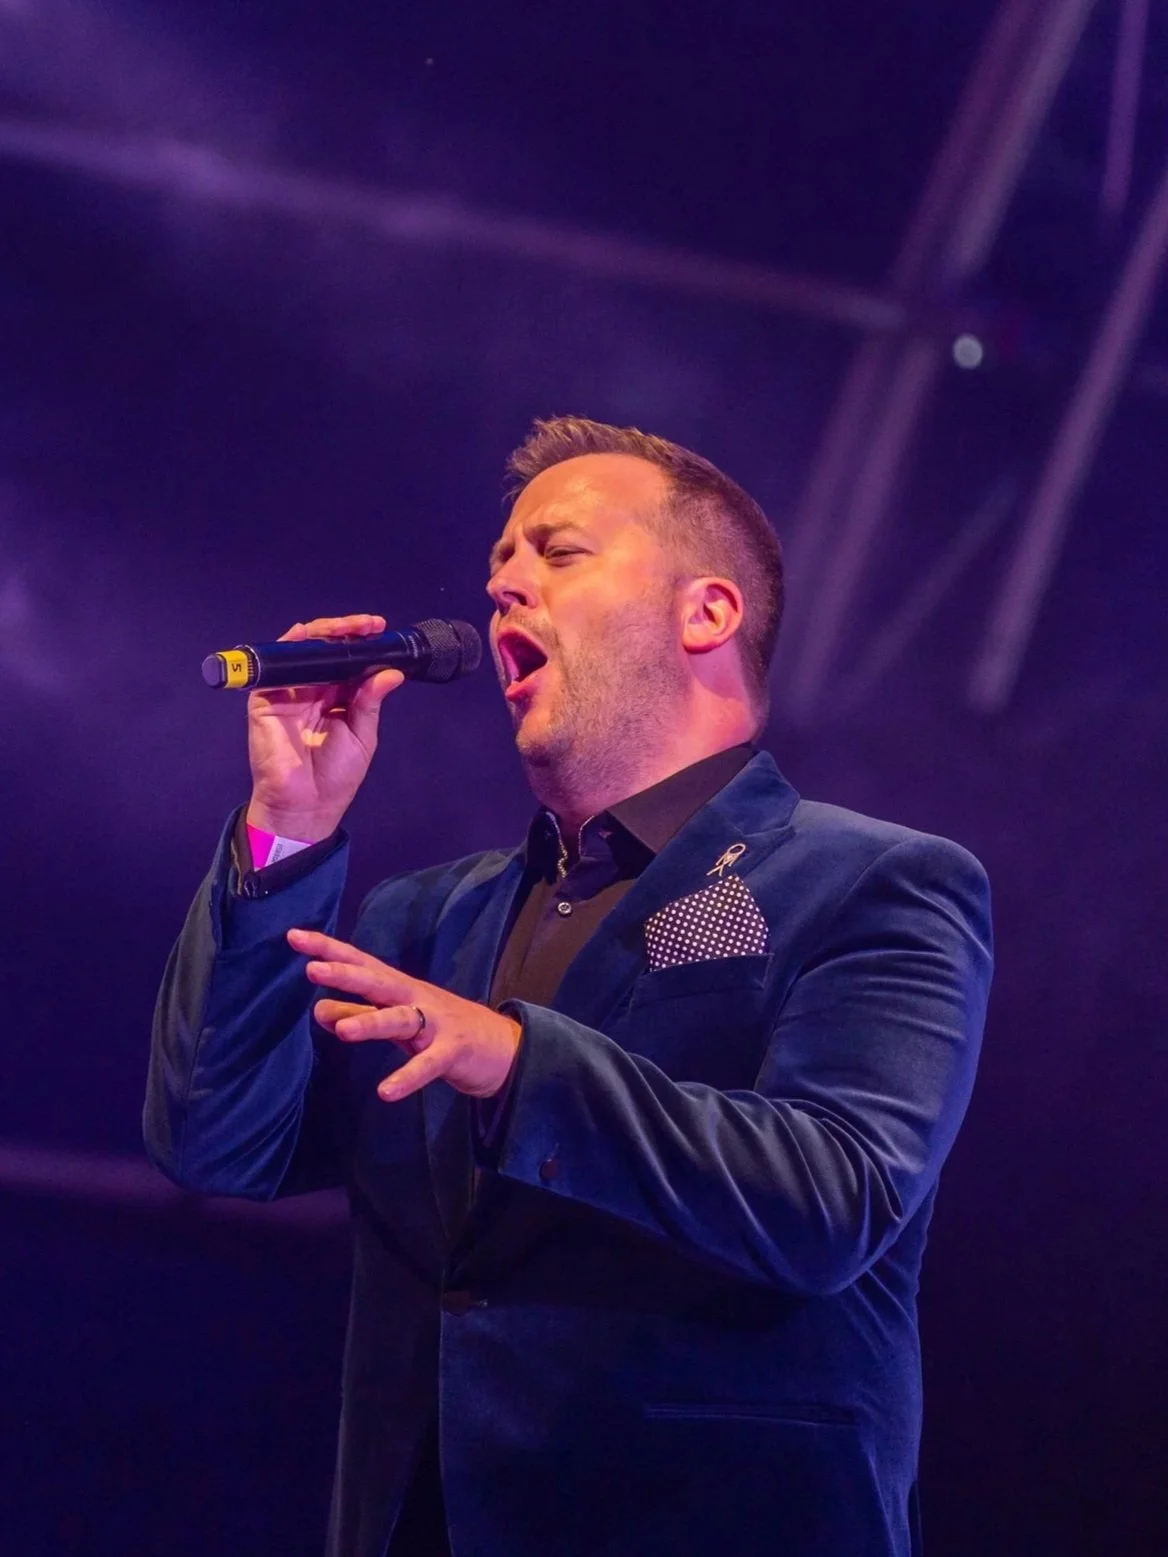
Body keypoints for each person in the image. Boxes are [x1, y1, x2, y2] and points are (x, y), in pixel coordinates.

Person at [145, 416, 993, 1557]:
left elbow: (829, 1198)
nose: (505, 589)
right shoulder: (426, 921)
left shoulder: (873, 883)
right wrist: (287, 830)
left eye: (558, 552)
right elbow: (214, 1143)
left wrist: (517, 1059)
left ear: (707, 613)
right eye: (497, 566)